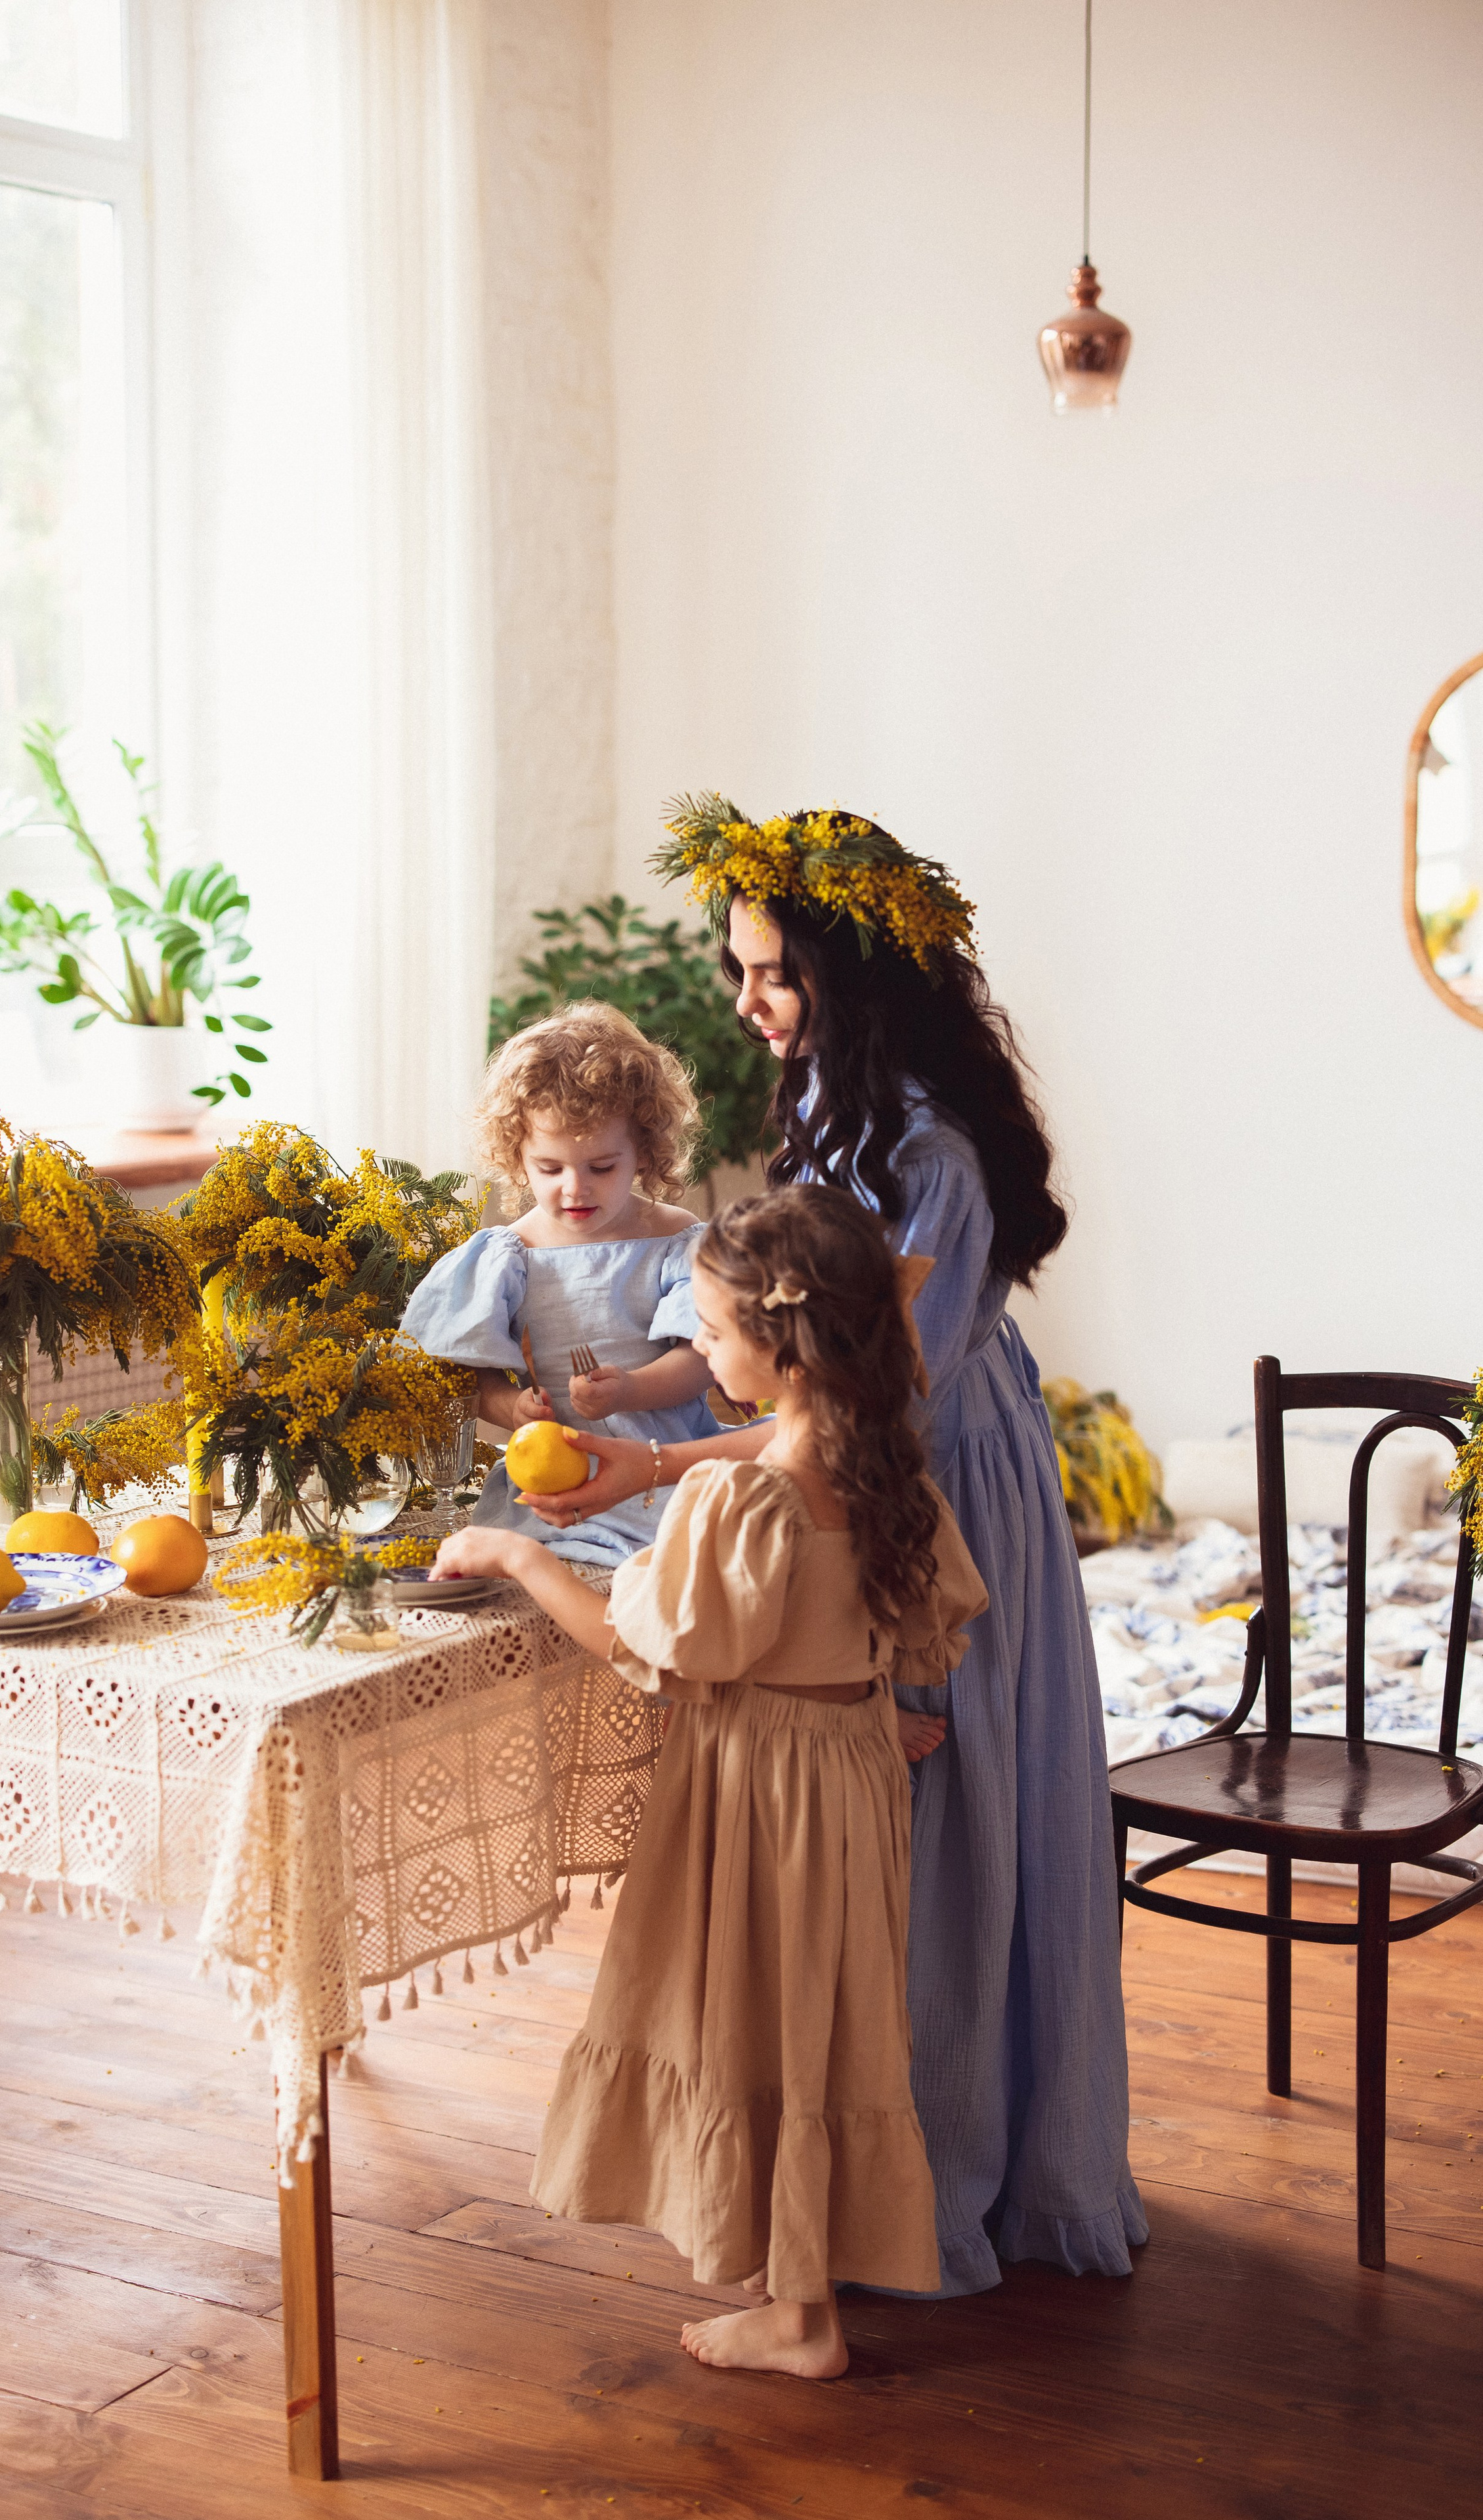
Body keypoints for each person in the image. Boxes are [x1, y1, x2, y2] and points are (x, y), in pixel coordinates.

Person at [525, 798, 1147, 2299]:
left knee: (940, 1821)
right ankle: (845, 2188)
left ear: (852, 980)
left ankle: (931, 2183)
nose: (746, 1000)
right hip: (873, 1466)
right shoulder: (838, 1108)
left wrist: (661, 1463)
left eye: (773, 973)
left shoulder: (928, 1152)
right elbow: (787, 1369)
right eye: (739, 968)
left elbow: (851, 1410)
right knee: (892, 1838)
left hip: (932, 1483)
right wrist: (643, 1436)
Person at [433, 1188, 988, 2375]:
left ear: (787, 1349)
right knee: (824, 2027)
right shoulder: (883, 1468)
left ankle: (800, 2316)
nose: (701, 1344)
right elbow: (915, 1628)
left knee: (750, 2023)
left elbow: (654, 1650)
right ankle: (803, 2289)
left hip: (761, 1792)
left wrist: (519, 1553)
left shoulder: (744, 1493)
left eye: (716, 1327)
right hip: (849, 1776)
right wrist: (862, 1708)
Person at [398, 1000, 722, 1566]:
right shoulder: (509, 1256)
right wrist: (510, 1407)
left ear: (644, 1152)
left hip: (666, 1467)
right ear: (517, 1156)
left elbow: (703, 1359)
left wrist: (629, 1391)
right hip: (557, 1478)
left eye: (602, 1167)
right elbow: (464, 1375)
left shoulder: (675, 1240)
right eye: (550, 1168)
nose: (576, 1188)